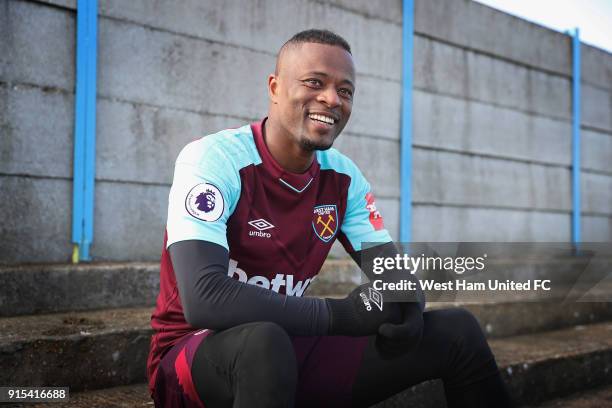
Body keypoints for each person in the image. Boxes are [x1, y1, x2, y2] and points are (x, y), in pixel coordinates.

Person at [146, 29, 513, 408]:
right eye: (314, 83)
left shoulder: (343, 177)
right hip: (193, 358)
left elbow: (394, 275)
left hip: (288, 348)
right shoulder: (213, 159)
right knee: (262, 344)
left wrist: (408, 306)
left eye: (346, 91)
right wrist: (340, 315)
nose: (331, 99)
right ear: (274, 87)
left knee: (458, 331)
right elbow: (205, 298)